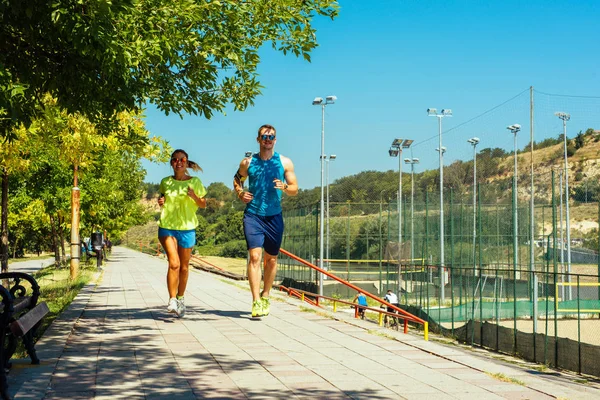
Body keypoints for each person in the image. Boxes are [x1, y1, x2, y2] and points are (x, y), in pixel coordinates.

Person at [233, 124, 298, 318]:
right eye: (264, 137)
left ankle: (266, 294)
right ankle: (255, 301)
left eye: (271, 137)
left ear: (275, 140)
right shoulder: (248, 162)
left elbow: (295, 189)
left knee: (271, 260)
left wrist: (285, 187)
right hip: (253, 215)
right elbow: (237, 179)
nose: (268, 140)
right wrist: (240, 193)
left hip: (274, 216)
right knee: (254, 257)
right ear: (258, 140)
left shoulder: (284, 162)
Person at [158, 149, 207, 317]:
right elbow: (163, 197)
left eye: (182, 159)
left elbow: (203, 205)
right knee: (174, 263)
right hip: (167, 226)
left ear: (186, 162)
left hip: (187, 228)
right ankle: (172, 300)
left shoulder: (195, 182)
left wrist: (194, 195)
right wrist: (160, 200)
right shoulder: (165, 182)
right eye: (175, 160)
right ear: (171, 163)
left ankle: (180, 298)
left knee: (184, 268)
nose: (178, 162)